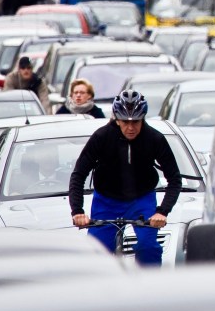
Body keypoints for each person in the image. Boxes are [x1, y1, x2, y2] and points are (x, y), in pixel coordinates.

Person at [68, 90, 182, 266]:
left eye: (135, 122)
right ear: (116, 119)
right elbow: (78, 175)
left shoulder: (154, 139)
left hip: (141, 200)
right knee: (98, 251)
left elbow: (174, 180)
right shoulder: (101, 137)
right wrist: (77, 211)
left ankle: (149, 287)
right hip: (107, 201)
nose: (130, 127)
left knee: (147, 246)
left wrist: (162, 211)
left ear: (143, 118)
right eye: (125, 122)